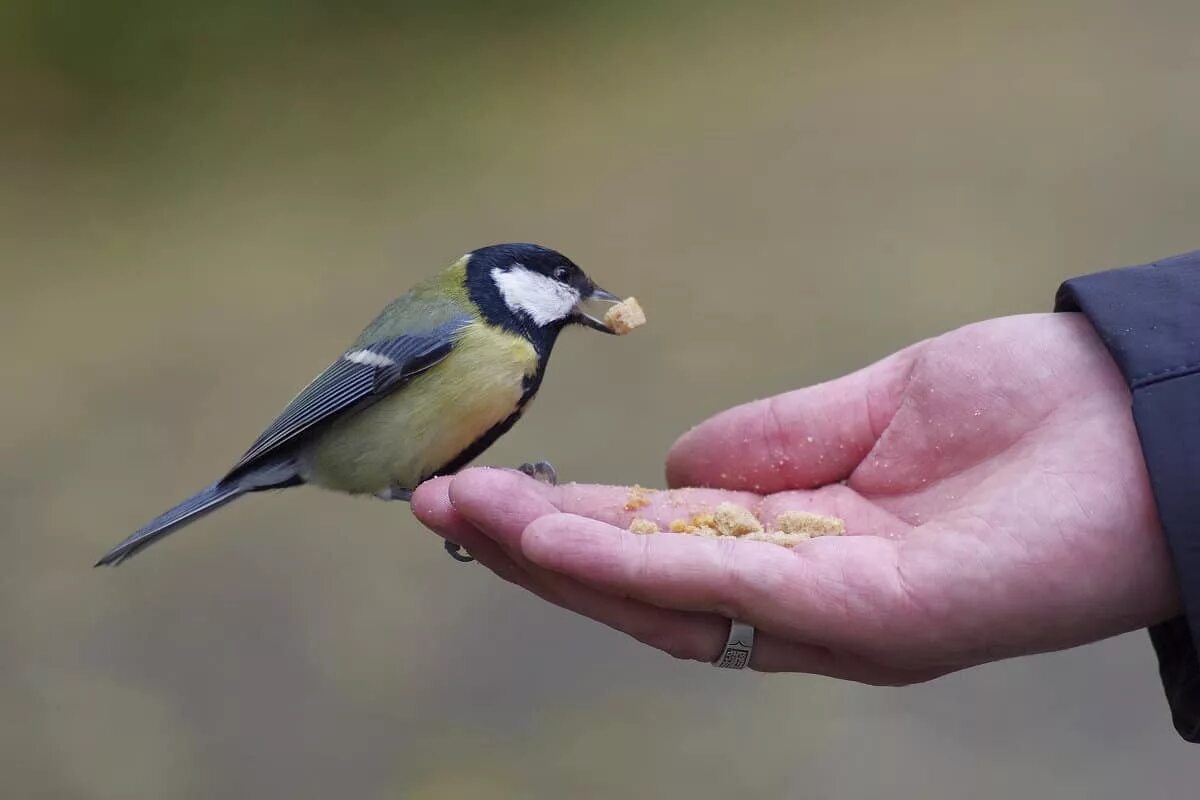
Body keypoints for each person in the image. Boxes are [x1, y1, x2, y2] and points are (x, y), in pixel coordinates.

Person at [412, 250, 1200, 743]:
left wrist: (1158, 416)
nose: (592, 298)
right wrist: (1148, 396)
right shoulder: (459, 330)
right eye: (567, 284)